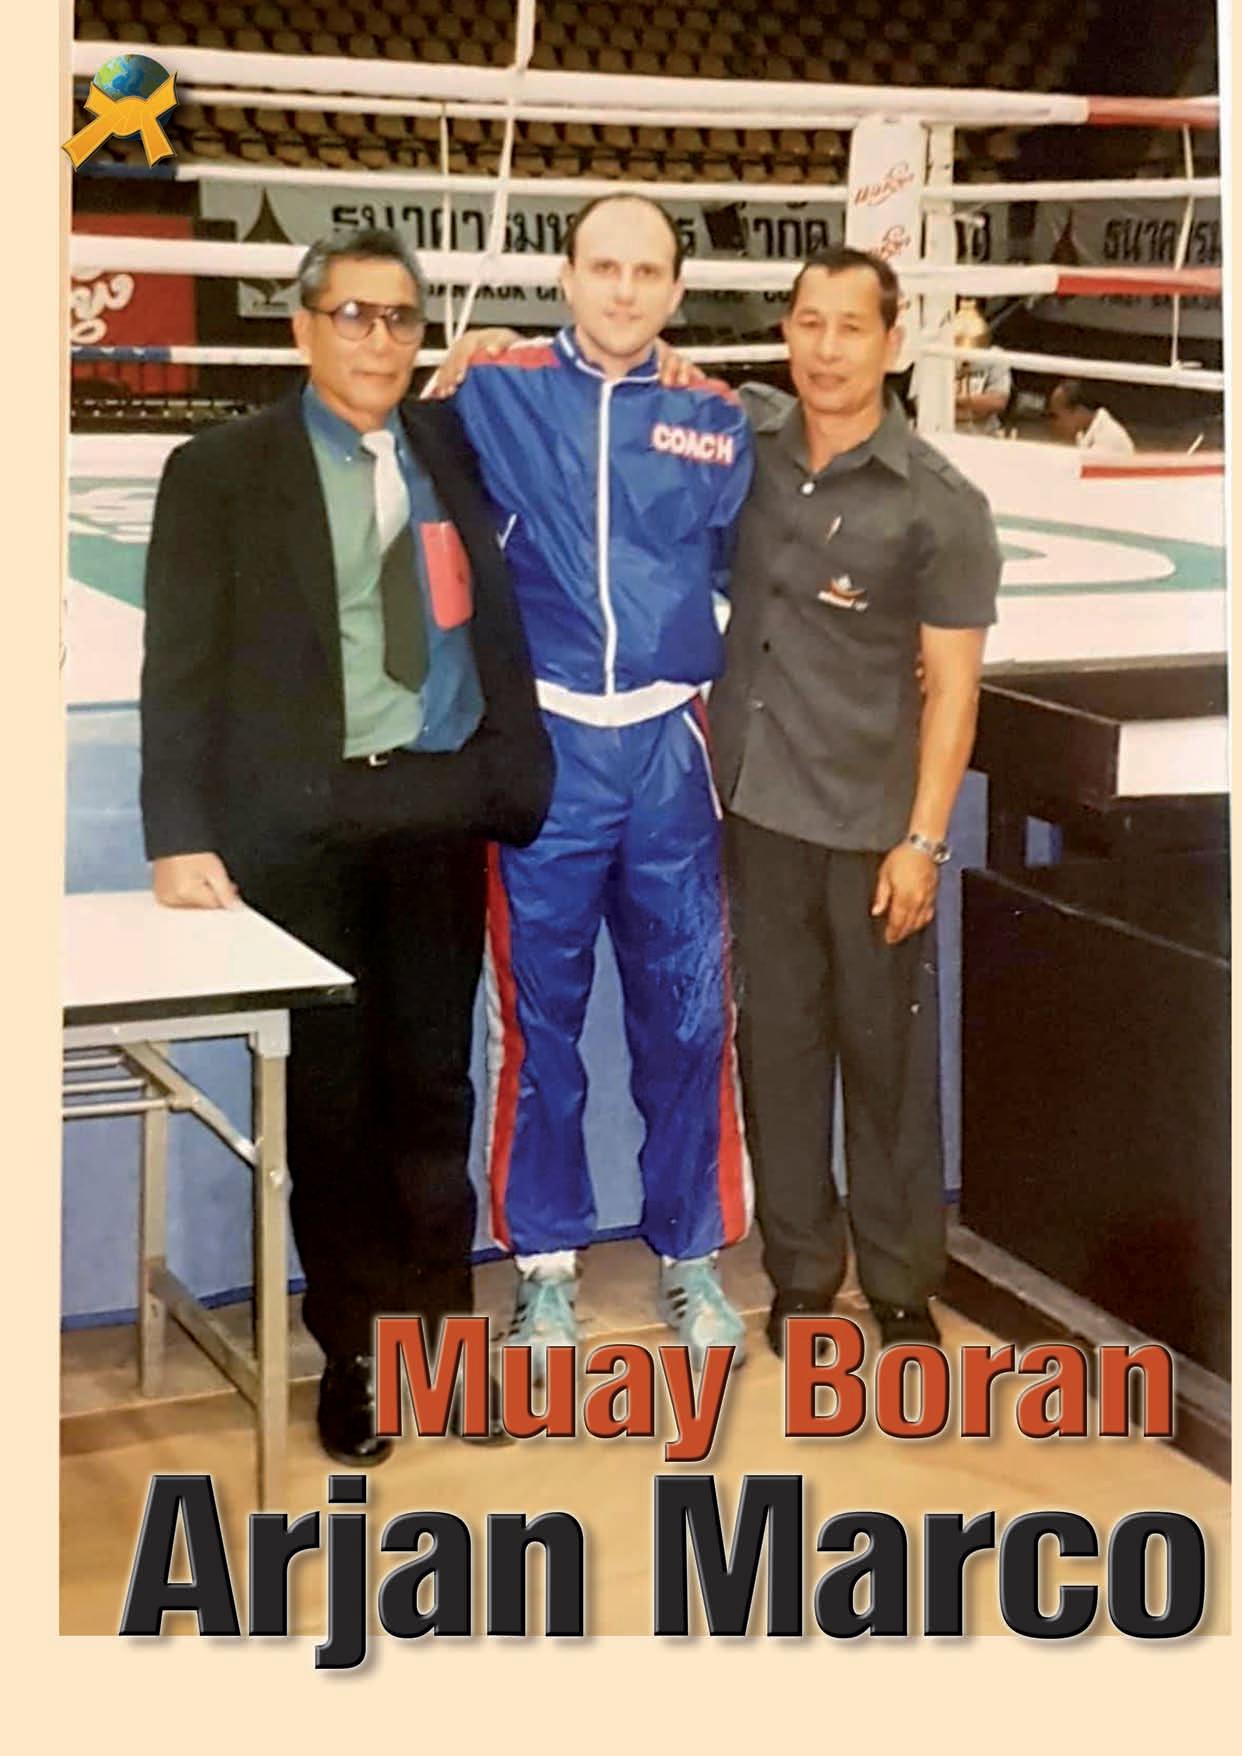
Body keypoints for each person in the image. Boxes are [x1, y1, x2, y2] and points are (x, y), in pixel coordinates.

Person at [139, 228, 553, 1465]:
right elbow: (178, 668)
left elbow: (602, 384)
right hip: (303, 822)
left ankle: (447, 1353)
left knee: (433, 1091)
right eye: (354, 315)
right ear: (302, 326)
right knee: (332, 1104)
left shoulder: (454, 447)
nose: (379, 339)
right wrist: (177, 832)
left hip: (434, 808)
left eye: (401, 319)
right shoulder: (220, 469)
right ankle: (361, 1358)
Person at [432, 195, 755, 1374]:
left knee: (691, 1015)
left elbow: (753, 569)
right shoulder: (495, 388)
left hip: (668, 747)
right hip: (549, 749)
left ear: (676, 290)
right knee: (540, 1023)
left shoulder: (717, 417)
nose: (624, 290)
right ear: (565, 276)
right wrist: (446, 365)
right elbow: (402, 470)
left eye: (648, 271)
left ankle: (692, 1254)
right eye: (604, 267)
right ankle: (547, 1268)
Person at [709, 246, 1001, 1355]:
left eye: (851, 328)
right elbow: (647, 375)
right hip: (760, 808)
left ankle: (899, 1282)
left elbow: (955, 691)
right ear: (785, 330)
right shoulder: (746, 440)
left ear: (892, 342)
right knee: (779, 1055)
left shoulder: (940, 504)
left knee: (885, 1065)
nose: (827, 350)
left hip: (875, 825)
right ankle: (800, 1276)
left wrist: (923, 839)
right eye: (809, 323)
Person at [952, 298, 1012, 434]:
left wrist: (957, 400)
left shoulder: (996, 356)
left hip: (986, 434)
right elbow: (923, 403)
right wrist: (976, 406)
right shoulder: (933, 353)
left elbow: (998, 401)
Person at [1047, 378, 1136, 454]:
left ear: (1078, 411)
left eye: (1057, 416)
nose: (1056, 424)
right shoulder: (1082, 433)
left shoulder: (1107, 439)